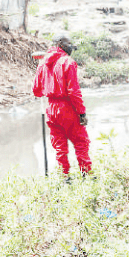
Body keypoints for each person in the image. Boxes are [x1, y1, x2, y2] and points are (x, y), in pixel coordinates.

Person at [33, 33, 92, 178]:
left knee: (60, 146)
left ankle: (64, 178)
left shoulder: (43, 62)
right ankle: (86, 176)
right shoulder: (68, 62)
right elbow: (74, 91)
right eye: (69, 44)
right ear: (62, 45)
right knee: (81, 142)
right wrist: (82, 113)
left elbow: (36, 90)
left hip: (51, 109)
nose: (71, 47)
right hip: (67, 108)